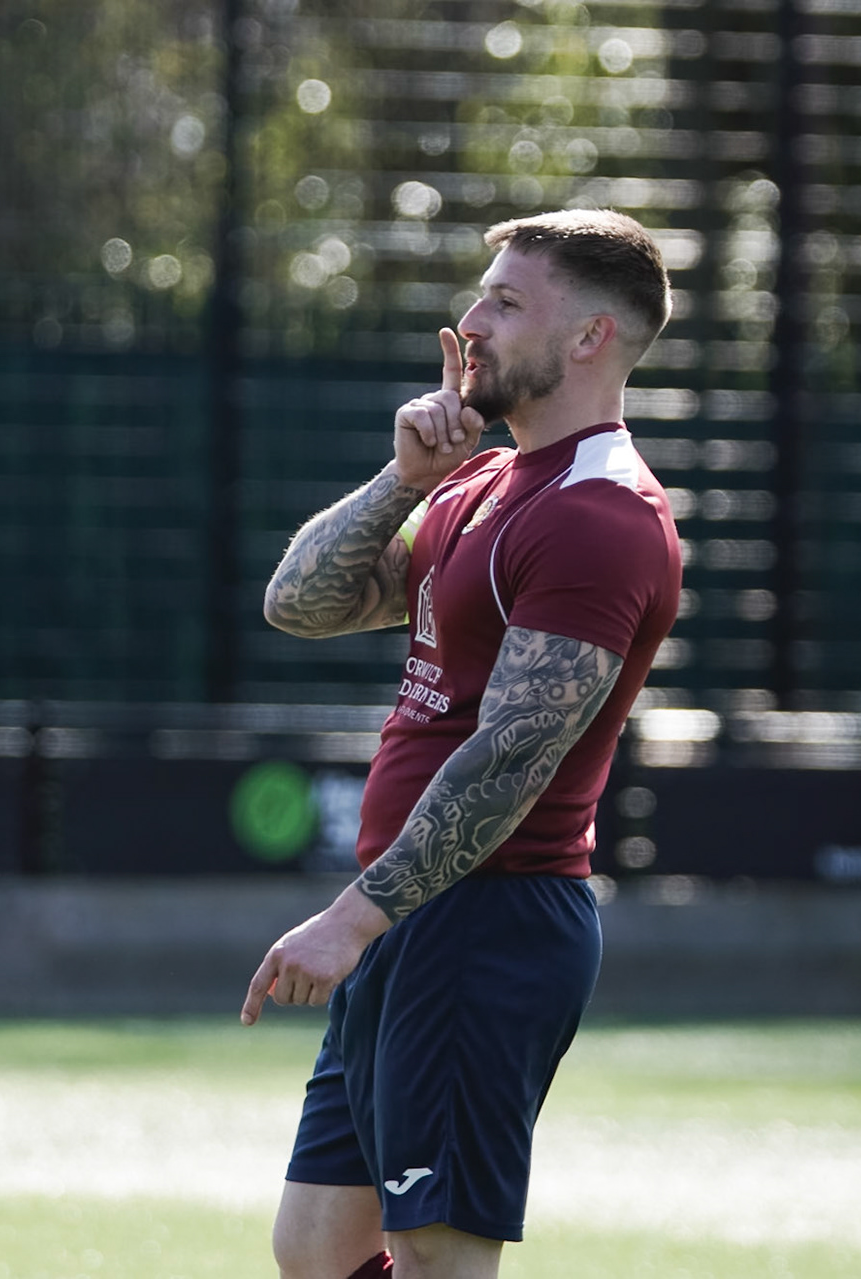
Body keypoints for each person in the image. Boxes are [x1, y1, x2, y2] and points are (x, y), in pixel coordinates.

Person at [242, 209, 682, 1279]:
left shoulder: (600, 514)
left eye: (506, 302)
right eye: (481, 296)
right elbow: (298, 603)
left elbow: (510, 760)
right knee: (317, 1252)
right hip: (412, 912)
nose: (471, 322)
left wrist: (352, 920)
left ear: (591, 337)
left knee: (435, 1253)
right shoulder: (487, 482)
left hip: (488, 919)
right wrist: (405, 478)